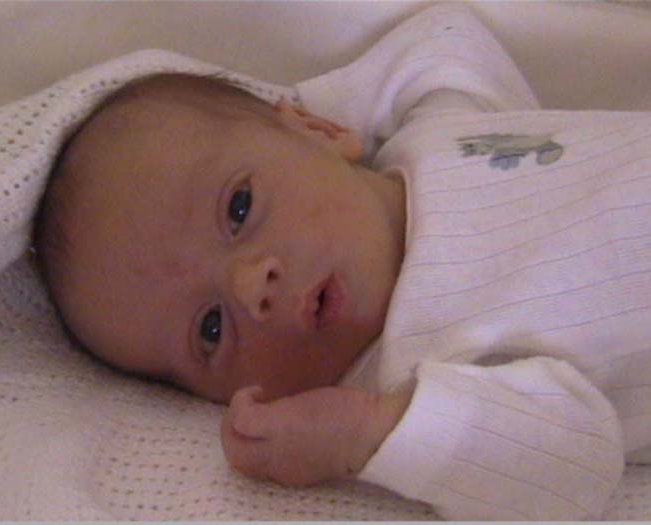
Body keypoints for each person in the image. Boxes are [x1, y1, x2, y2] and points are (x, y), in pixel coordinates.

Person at [33, 4, 651, 520]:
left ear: (318, 130)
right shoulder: (410, 378)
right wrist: (370, 434)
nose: (251, 288)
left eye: (240, 208)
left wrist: (333, 104)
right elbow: (576, 467)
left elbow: (451, 39)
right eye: (210, 329)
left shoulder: (433, 134)